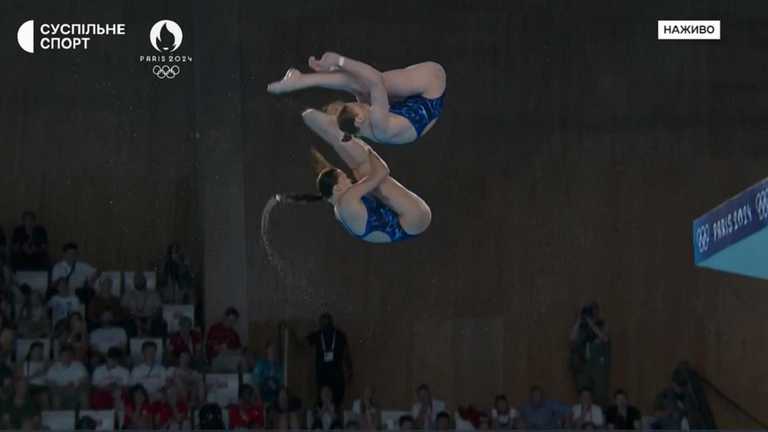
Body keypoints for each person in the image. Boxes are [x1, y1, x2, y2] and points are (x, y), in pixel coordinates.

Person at [281, 111, 431, 243]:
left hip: (406, 224)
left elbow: (328, 172)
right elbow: (382, 171)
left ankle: (332, 130)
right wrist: (367, 146)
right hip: (414, 217)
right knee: (367, 172)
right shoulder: (347, 201)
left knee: (361, 170)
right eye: (344, 178)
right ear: (338, 188)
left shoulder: (338, 206)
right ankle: (335, 130)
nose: (349, 179)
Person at [268, 53, 446, 145]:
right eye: (355, 105)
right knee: (371, 83)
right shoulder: (379, 123)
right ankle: (302, 81)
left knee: (360, 86)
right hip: (432, 90)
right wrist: (340, 60)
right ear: (359, 118)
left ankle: (302, 81)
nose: (357, 102)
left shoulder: (361, 127)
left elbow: (359, 85)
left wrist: (335, 70)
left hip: (410, 110)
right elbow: (375, 80)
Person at [569, 302, 611, 405]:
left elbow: (604, 338)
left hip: (597, 365)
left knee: (600, 393)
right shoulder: (581, 325)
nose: (591, 313)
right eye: (590, 311)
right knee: (583, 391)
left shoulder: (602, 323)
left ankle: (599, 416)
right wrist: (579, 319)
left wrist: (591, 323)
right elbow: (572, 338)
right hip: (583, 364)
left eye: (593, 310)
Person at [306, 313, 352, 405]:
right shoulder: (319, 335)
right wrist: (349, 370)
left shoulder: (339, 335)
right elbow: (303, 343)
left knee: (335, 403)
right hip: (325, 376)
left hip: (334, 377)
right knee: (324, 403)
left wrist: (349, 370)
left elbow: (346, 354)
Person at [46, 344, 89, 410]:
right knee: (56, 397)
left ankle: (85, 415)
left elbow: (84, 380)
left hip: (75, 391)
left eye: (69, 355)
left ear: (72, 356)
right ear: (60, 356)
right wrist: (62, 388)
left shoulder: (79, 365)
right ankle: (57, 418)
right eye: (64, 355)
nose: (67, 357)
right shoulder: (54, 367)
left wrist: (75, 387)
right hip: (59, 392)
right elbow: (50, 383)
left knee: (84, 395)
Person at [121, 272, 164, 337]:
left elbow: (159, 309)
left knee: (160, 326)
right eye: (137, 280)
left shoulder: (154, 293)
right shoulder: (127, 294)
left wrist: (150, 320)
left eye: (141, 279)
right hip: (132, 318)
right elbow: (124, 309)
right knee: (128, 326)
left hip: (151, 318)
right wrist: (135, 320)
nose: (139, 281)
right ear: (134, 282)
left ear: (145, 281)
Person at [205, 307, 244, 372]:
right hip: (216, 359)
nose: (231, 323)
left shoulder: (234, 334)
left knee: (244, 358)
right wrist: (222, 348)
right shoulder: (215, 329)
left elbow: (239, 349)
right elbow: (213, 348)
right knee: (239, 361)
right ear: (225, 317)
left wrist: (238, 351)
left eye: (234, 321)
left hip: (232, 356)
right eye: (230, 320)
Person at [17, 341, 50, 410]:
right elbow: (22, 380)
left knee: (45, 396)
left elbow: (49, 377)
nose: (38, 352)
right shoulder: (25, 363)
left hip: (43, 386)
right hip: (30, 385)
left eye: (40, 350)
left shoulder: (45, 363)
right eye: (36, 350)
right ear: (31, 351)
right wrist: (36, 374)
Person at [251, 340, 283, 406]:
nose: (273, 351)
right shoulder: (261, 364)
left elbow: (280, 384)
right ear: (266, 350)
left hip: (274, 396)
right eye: (271, 349)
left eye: (275, 349)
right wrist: (259, 400)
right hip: (263, 395)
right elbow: (255, 383)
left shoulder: (278, 367)